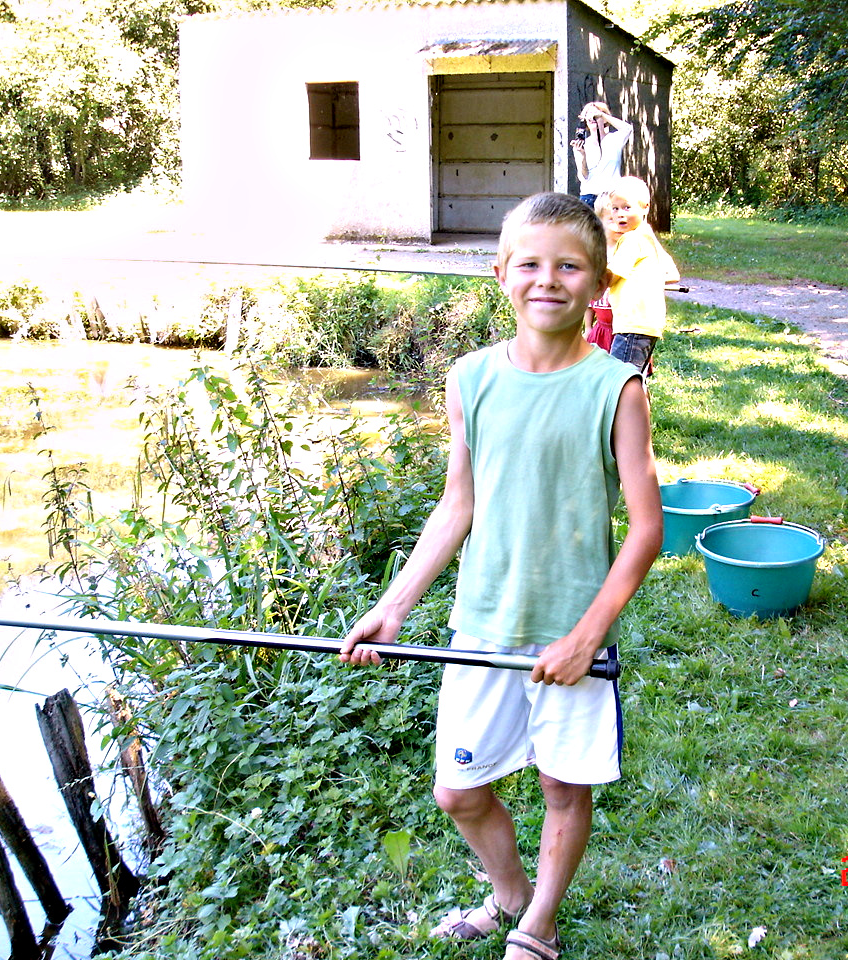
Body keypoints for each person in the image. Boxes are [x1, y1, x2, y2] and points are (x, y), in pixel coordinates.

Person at [340, 192, 662, 960]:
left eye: (569, 266)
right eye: (529, 263)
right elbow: (459, 504)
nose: (547, 279)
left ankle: (539, 924)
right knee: (457, 790)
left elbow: (646, 531)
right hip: (480, 624)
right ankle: (509, 894)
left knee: (562, 788)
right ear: (500, 274)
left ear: (599, 284)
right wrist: (393, 609)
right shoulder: (470, 378)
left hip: (569, 633)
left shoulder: (616, 389)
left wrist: (588, 637)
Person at [606, 175, 678, 379]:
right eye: (615, 208)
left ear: (645, 207)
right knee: (634, 381)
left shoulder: (631, 239)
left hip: (632, 325)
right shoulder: (646, 237)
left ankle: (627, 412)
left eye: (627, 208)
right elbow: (670, 273)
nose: (619, 214)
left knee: (618, 383)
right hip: (647, 325)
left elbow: (609, 277)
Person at [570, 102, 633, 208]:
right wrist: (583, 156)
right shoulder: (582, 144)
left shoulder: (614, 139)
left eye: (595, 115)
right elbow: (584, 177)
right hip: (589, 198)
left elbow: (628, 129)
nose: (592, 118)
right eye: (588, 115)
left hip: (611, 197)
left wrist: (602, 115)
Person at [583, 194, 618, 351]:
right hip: (601, 328)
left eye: (621, 220)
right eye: (611, 220)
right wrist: (588, 327)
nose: (617, 225)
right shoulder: (596, 253)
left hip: (623, 328)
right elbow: (588, 299)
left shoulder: (630, 250)